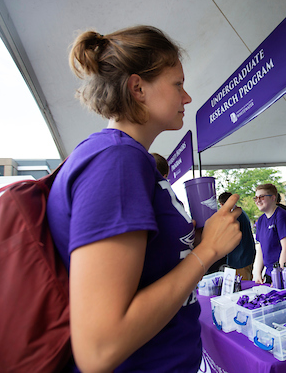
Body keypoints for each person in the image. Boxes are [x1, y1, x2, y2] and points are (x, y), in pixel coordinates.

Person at [46, 26, 242, 372]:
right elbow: (100, 349)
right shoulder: (116, 160)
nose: (187, 98)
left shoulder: (125, 158)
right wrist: (206, 250)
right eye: (178, 84)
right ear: (138, 88)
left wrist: (190, 242)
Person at [253, 183, 286, 287]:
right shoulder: (261, 220)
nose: (258, 200)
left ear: (273, 198)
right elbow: (261, 249)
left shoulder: (282, 217)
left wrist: (279, 275)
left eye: (262, 197)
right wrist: (257, 272)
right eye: (256, 198)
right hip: (271, 272)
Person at [218, 192, 256, 280]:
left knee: (244, 287)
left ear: (222, 204)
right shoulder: (240, 213)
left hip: (241, 259)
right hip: (243, 257)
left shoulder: (235, 216)